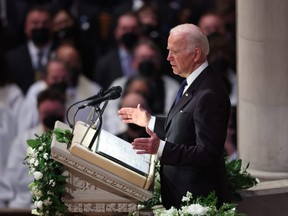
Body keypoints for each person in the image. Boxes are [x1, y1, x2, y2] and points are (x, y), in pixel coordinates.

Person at [118, 23, 231, 209]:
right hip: (179, 196)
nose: (168, 57)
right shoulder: (193, 82)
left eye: (175, 52)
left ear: (196, 54)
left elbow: (208, 154)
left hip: (196, 200)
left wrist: (161, 148)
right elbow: (185, 126)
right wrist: (150, 121)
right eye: (168, 50)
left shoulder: (209, 93)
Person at [0, 88, 65, 208]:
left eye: (55, 113)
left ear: (63, 112)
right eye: (47, 114)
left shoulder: (74, 138)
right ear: (39, 113)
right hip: (28, 202)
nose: (51, 118)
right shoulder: (23, 141)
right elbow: (15, 175)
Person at [5, 5, 55, 94]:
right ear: (26, 27)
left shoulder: (63, 54)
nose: (40, 26)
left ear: (52, 25)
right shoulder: (11, 58)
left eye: (45, 23)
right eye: (35, 23)